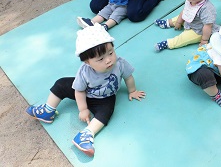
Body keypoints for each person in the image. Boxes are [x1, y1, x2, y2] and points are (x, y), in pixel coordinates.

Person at [25, 23, 146, 157]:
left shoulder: (120, 64)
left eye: (111, 53)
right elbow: (79, 91)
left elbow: (128, 77)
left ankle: (86, 134)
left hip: (105, 98)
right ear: (87, 62)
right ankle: (48, 110)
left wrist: (132, 91)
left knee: (107, 112)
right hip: (85, 93)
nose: (108, 60)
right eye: (100, 59)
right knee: (61, 83)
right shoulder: (84, 72)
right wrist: (83, 109)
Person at [154, 0, 220, 52]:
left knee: (184, 38)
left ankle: (168, 43)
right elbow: (185, 11)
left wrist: (204, 40)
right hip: (190, 22)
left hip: (198, 30)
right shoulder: (189, 1)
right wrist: (178, 22)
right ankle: (169, 22)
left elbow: (208, 26)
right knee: (179, 17)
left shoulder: (206, 8)